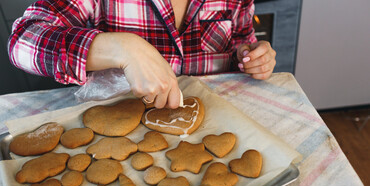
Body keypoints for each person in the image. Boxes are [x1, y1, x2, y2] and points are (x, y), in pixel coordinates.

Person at [8, 0, 276, 109]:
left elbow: (242, 38)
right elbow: (23, 39)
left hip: (215, 120)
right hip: (123, 129)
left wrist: (250, 55)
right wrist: (122, 48)